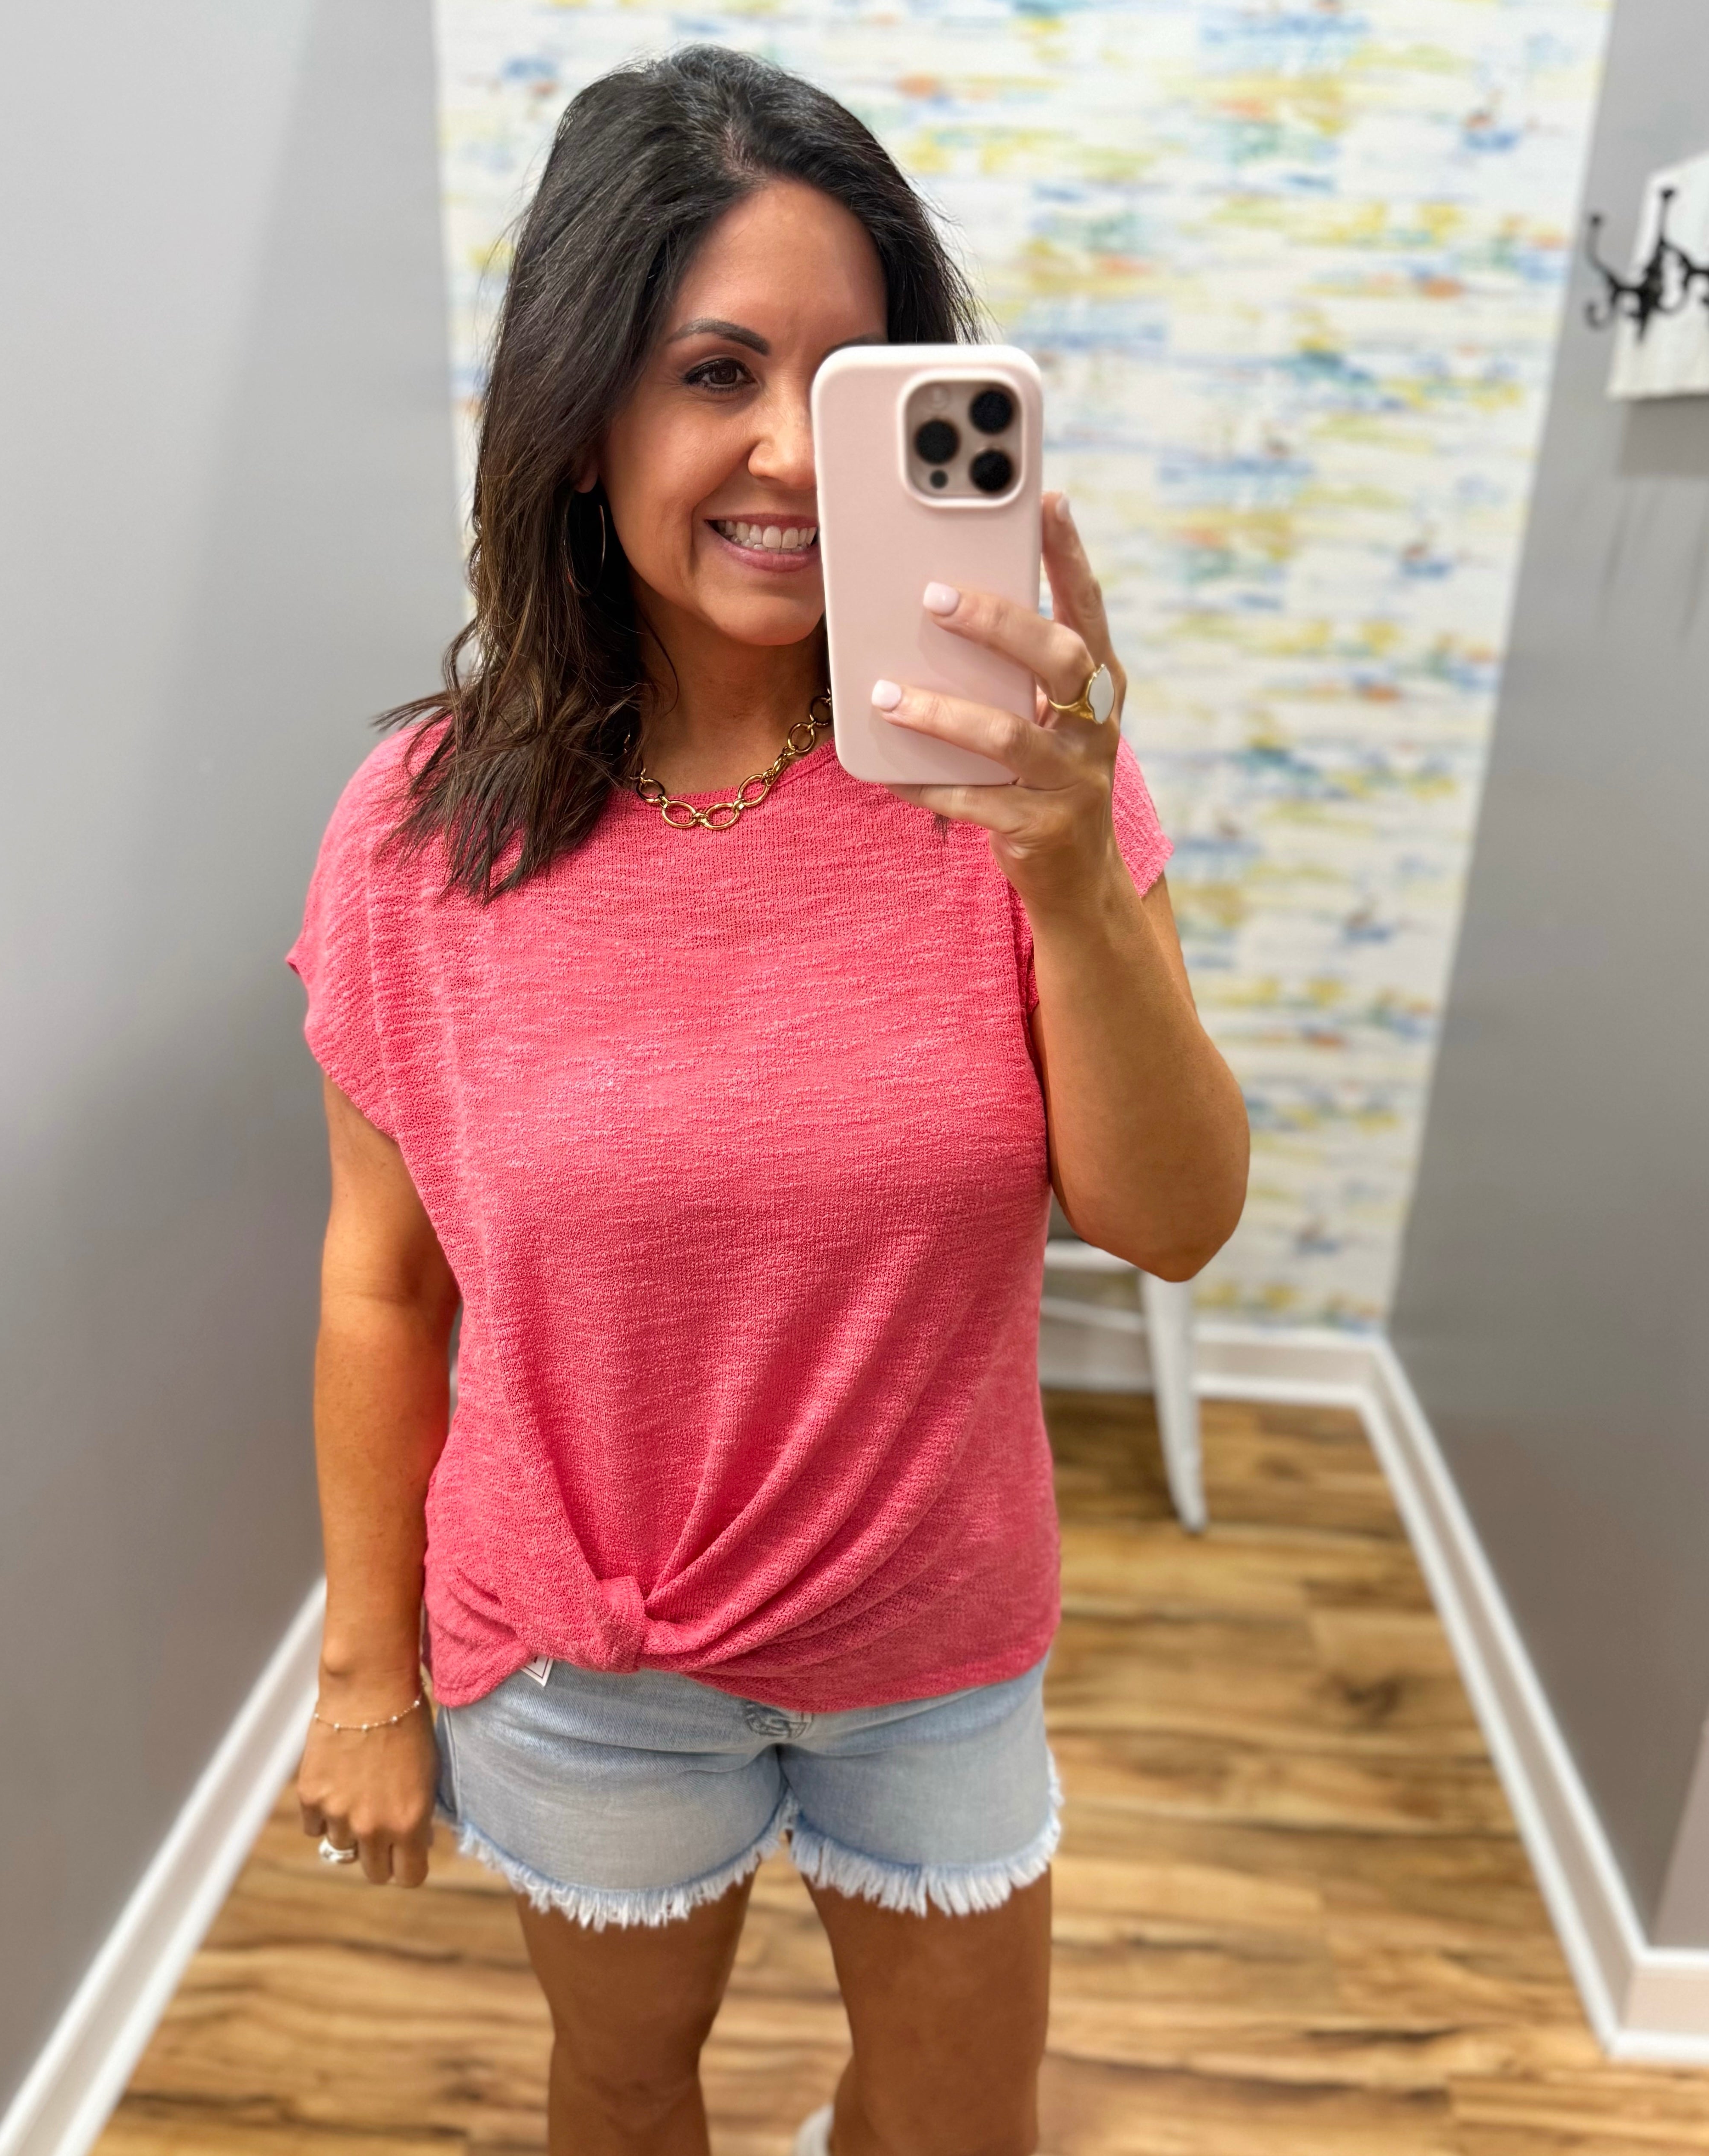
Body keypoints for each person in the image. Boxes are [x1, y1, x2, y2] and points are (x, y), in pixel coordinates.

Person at [288, 45, 1248, 2156]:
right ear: (580, 420)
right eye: (717, 372)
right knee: (627, 2087)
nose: (791, 460)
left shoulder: (1025, 787)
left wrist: (1073, 872)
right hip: (585, 1655)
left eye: (852, 389)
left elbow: (1173, 1222)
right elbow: (384, 1290)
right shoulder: (418, 839)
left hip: (934, 1633)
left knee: (955, 2120)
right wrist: (366, 1674)